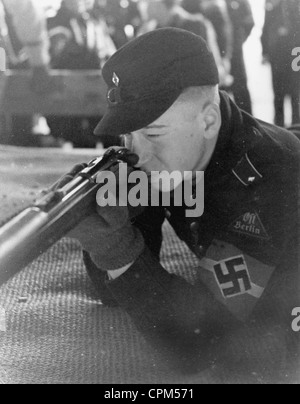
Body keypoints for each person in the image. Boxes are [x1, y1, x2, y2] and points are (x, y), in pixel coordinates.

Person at [63, 29, 299, 379]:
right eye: (128, 134)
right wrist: (109, 217)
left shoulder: (267, 179)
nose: (138, 153)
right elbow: (117, 291)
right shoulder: (173, 156)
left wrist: (117, 248)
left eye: (154, 133)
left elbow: (200, 344)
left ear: (208, 121)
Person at [138, 0, 229, 87]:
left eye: (148, 2)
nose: (144, 5)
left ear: (160, 5)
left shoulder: (196, 25)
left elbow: (212, 62)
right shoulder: (154, 29)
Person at [262, 0, 300, 127]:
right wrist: (265, 51)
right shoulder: (271, 2)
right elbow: (266, 25)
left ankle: (297, 126)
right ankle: (279, 127)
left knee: (295, 91)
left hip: (295, 52)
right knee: (278, 92)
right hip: (277, 53)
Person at [225, 0, 254, 114]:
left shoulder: (241, 2)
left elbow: (250, 22)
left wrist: (239, 40)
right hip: (217, 52)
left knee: (240, 88)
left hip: (235, 51)